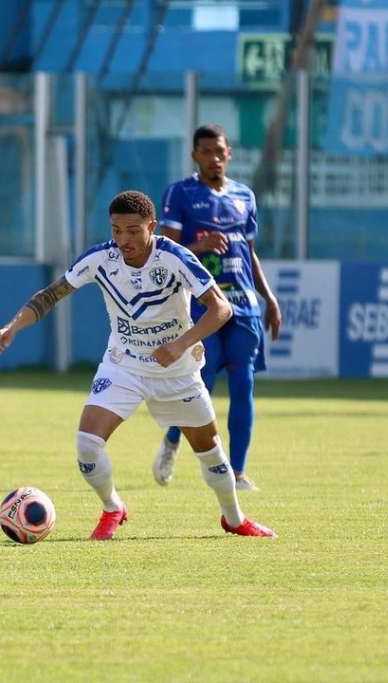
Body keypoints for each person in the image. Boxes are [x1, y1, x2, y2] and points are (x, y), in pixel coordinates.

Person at [0, 190, 276, 540]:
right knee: (87, 444)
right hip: (123, 364)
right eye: (116, 230)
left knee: (211, 455)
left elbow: (221, 308)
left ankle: (233, 518)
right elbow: (49, 295)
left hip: (177, 372)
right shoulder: (100, 259)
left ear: (152, 226)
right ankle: (112, 507)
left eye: (133, 230)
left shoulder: (175, 257)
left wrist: (180, 344)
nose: (124, 239)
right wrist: (12, 327)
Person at [152, 124, 281, 492]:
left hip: (243, 307)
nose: (215, 158)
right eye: (206, 152)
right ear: (195, 155)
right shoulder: (181, 193)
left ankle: (237, 473)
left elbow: (249, 252)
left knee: (244, 384)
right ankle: (173, 439)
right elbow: (167, 251)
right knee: (200, 385)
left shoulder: (244, 196)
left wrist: (268, 299)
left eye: (220, 151)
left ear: (229, 154)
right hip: (202, 307)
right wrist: (202, 243)